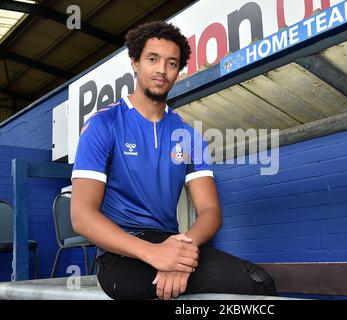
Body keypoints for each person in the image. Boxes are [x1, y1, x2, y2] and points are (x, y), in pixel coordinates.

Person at [70, 21, 277, 300]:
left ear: (178, 71)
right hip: (121, 253)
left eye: (171, 63)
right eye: (152, 59)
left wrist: (181, 253)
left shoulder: (190, 137)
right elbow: (82, 216)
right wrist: (154, 255)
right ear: (135, 62)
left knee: (258, 282)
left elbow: (210, 211)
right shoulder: (103, 125)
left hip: (172, 242)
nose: (161, 70)